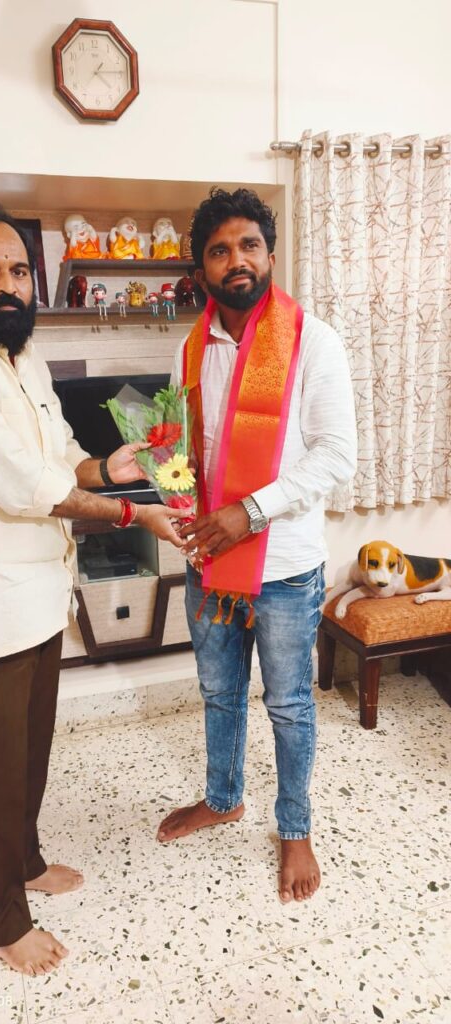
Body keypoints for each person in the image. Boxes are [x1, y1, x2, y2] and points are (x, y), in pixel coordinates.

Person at [0, 197, 187, 976]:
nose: (8, 285)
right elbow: (23, 484)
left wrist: (110, 467)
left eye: (19, 271)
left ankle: (23, 862)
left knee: (29, 753)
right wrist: (135, 512)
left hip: (35, 598)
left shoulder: (19, 354)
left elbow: (59, 455)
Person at [157, 188, 357, 904]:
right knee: (218, 693)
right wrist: (169, 482)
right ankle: (223, 797)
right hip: (208, 562)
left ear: (270, 255)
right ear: (201, 270)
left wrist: (251, 511)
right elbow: (184, 449)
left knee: (289, 704)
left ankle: (295, 827)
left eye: (249, 245)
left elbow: (337, 454)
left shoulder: (313, 341)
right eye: (219, 250)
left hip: (284, 568)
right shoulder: (189, 349)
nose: (236, 260)